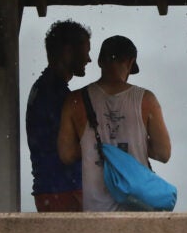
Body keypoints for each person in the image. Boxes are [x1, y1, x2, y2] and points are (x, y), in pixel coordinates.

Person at [58, 35, 171, 211]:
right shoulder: (146, 101)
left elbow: (66, 154)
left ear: (99, 61)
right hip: (137, 210)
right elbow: (163, 153)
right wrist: (132, 143)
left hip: (96, 213)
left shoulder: (74, 101)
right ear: (130, 62)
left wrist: (95, 145)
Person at [26, 20, 91, 212]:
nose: (89, 59)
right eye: (86, 51)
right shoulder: (57, 96)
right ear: (68, 51)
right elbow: (69, 150)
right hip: (64, 191)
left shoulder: (43, 88)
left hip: (50, 189)